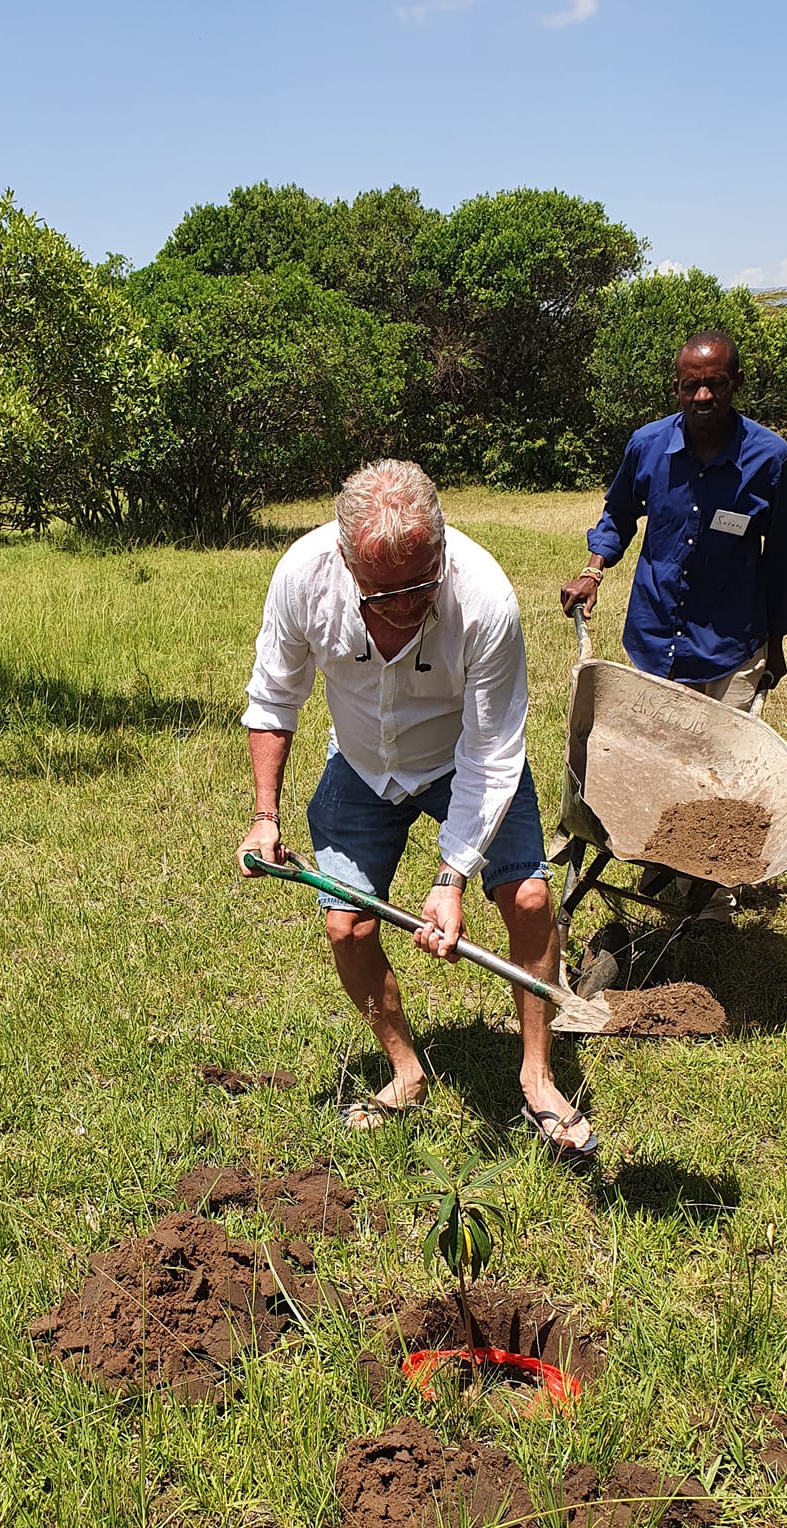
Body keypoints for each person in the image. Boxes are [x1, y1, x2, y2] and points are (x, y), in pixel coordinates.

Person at [237, 458, 596, 1163]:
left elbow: (494, 752)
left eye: (420, 587)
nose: (404, 607)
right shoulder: (303, 577)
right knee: (346, 927)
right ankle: (406, 1071)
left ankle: (537, 1075)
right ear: (346, 563)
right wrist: (264, 814)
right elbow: (275, 699)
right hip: (363, 765)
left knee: (527, 898)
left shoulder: (484, 596)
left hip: (465, 760)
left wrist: (450, 877)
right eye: (382, 594)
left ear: (440, 547)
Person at [560, 330, 787, 713]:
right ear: (676, 388)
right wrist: (592, 572)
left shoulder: (770, 459)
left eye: (716, 384)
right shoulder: (647, 445)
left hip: (732, 651)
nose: (703, 397)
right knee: (659, 761)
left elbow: (781, 558)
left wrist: (776, 643)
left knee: (722, 767)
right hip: (654, 643)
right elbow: (619, 513)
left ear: (737, 383)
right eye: (691, 386)